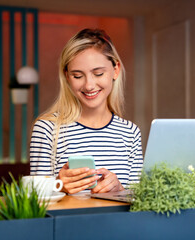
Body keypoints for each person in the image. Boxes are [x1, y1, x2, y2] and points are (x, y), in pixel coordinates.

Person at [29, 28, 143, 194]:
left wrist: (120, 190)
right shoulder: (47, 129)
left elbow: (139, 204)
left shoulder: (130, 133)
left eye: (98, 73)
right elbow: (35, 201)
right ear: (67, 76)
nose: (89, 85)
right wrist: (58, 187)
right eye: (77, 76)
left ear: (115, 70)